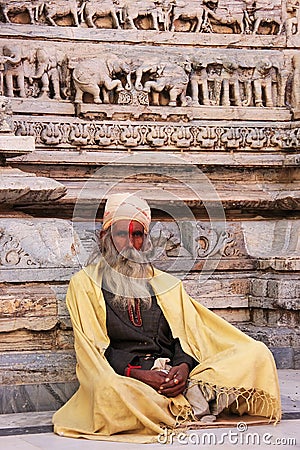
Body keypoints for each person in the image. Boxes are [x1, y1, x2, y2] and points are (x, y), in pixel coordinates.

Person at [53, 192, 281, 443]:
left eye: (137, 234)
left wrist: (183, 368)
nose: (129, 243)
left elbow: (188, 337)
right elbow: (96, 350)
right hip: (129, 378)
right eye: (121, 234)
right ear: (105, 237)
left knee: (255, 353)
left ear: (146, 241)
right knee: (110, 392)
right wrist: (139, 374)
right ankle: (190, 404)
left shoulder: (167, 285)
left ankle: (181, 400)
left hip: (174, 373)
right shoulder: (84, 284)